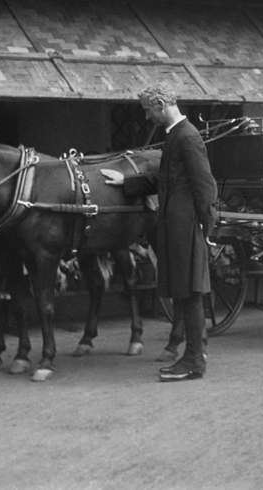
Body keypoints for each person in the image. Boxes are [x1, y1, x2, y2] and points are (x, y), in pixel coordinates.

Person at [101, 83, 217, 382]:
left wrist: (206, 228)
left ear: (162, 105)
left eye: (148, 110)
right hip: (177, 225)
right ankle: (192, 357)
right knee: (184, 291)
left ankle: (193, 360)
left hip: (186, 225)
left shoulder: (187, 136)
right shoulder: (175, 135)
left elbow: (206, 186)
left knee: (190, 292)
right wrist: (125, 182)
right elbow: (163, 179)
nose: (147, 116)